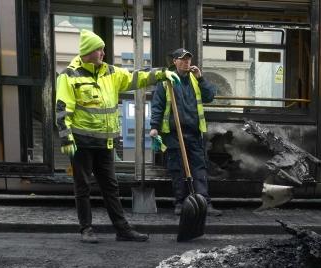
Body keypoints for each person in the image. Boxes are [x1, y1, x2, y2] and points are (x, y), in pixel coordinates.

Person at [56, 29, 180, 243]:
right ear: (88, 51)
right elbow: (62, 107)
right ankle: (86, 229)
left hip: (105, 142)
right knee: (83, 187)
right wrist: (66, 138)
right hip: (81, 143)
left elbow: (136, 77)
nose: (103, 53)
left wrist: (161, 73)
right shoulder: (69, 75)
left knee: (110, 187)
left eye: (103, 49)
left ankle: (122, 230)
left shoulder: (110, 72)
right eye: (99, 49)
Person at [150, 48, 219, 216]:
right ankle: (180, 202)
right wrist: (154, 126)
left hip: (194, 133)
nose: (186, 62)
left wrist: (201, 78)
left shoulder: (195, 80)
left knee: (199, 169)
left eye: (188, 59)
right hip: (174, 134)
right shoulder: (166, 81)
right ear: (175, 61)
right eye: (182, 59)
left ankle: (204, 203)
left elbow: (210, 96)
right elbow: (157, 105)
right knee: (177, 170)